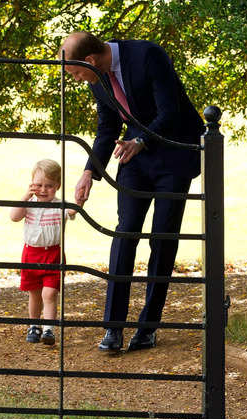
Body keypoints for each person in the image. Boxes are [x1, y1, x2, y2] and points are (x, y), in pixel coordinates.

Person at [59, 32, 204, 353]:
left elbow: (171, 110)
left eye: (76, 73)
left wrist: (141, 141)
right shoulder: (98, 78)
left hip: (175, 151)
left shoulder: (148, 54)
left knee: (162, 238)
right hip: (134, 155)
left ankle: (148, 326)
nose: (78, 79)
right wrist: (88, 172)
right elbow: (107, 128)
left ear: (91, 61)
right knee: (125, 234)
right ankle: (113, 329)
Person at [10, 159, 77, 346]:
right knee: (34, 294)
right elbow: (14, 217)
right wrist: (25, 196)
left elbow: (72, 211)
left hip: (53, 255)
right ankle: (34, 325)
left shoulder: (59, 205)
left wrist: (78, 203)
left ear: (57, 186)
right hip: (31, 254)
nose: (43, 190)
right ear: (32, 184)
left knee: (49, 294)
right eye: (38, 185)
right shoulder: (29, 203)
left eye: (49, 186)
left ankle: (48, 329)